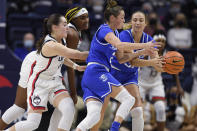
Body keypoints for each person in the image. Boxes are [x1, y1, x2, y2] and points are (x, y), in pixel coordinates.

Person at [75, 0, 161, 130]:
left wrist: (143, 52)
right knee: (128, 100)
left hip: (95, 74)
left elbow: (122, 59)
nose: (123, 20)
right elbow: (120, 45)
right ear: (112, 18)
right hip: (98, 72)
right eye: (122, 18)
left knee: (94, 116)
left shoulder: (115, 33)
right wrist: (145, 46)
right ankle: (113, 129)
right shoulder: (105, 30)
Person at [5, 13, 88, 131]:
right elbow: (77, 54)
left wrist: (75, 66)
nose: (67, 28)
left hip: (55, 83)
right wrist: (100, 53)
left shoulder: (62, 41)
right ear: (54, 27)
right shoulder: (50, 45)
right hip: (40, 84)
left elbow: (62, 57)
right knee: (32, 124)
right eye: (64, 25)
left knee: (68, 107)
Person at [47, 6, 90, 131]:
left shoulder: (73, 31)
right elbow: (70, 64)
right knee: (69, 106)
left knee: (61, 109)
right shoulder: (72, 33)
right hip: (51, 72)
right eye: (82, 18)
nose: (86, 20)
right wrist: (73, 92)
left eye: (87, 17)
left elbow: (72, 59)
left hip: (54, 70)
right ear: (73, 20)